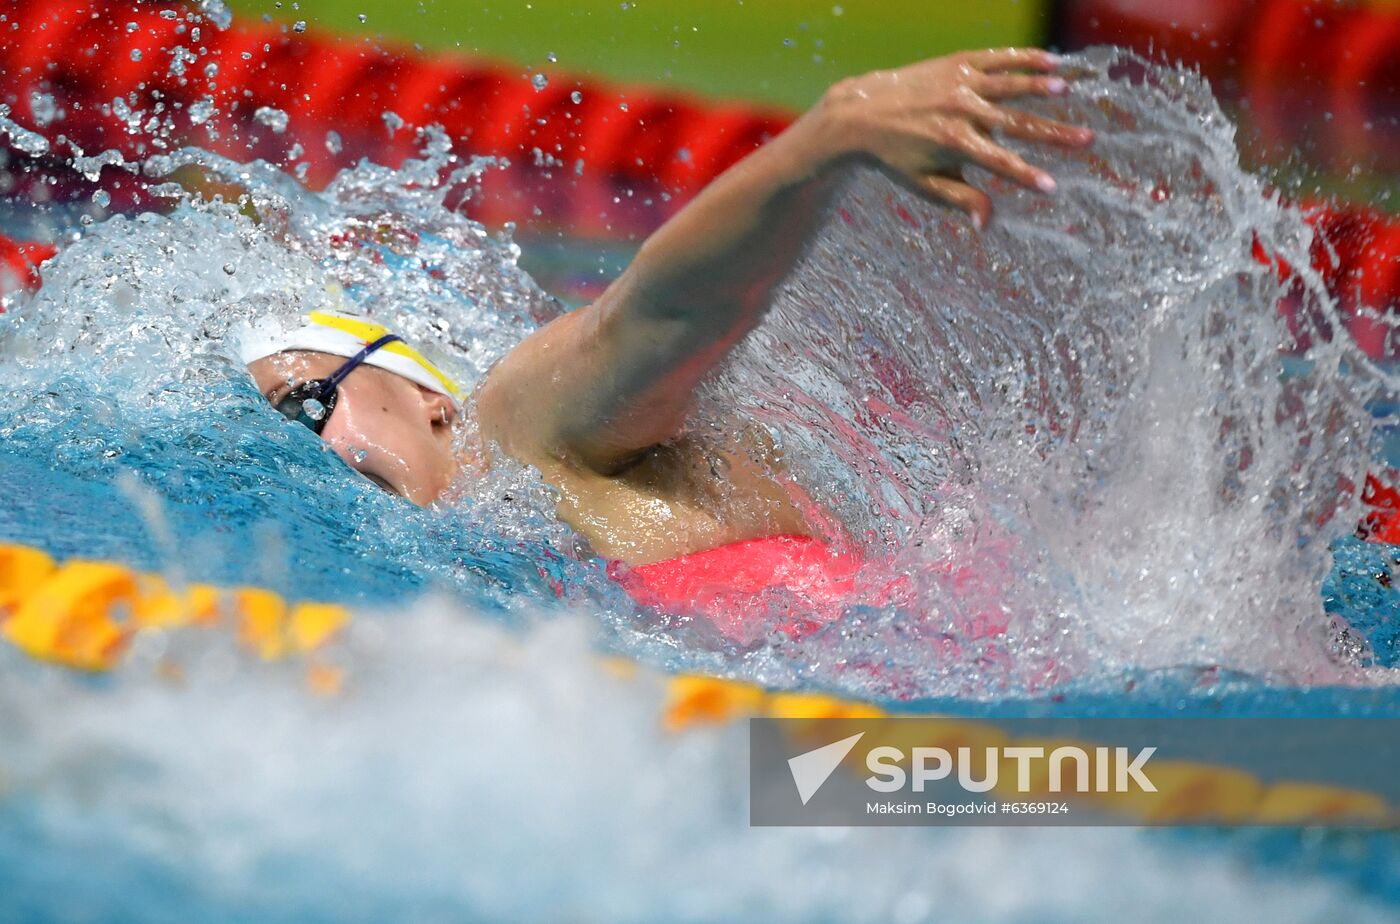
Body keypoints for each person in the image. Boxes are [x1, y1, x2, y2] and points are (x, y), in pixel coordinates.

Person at [245, 48, 1092, 617]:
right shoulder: (480, 559)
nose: (298, 455)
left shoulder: (514, 431)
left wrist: (831, 135)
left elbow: (667, 312)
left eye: (304, 406)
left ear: (427, 398)